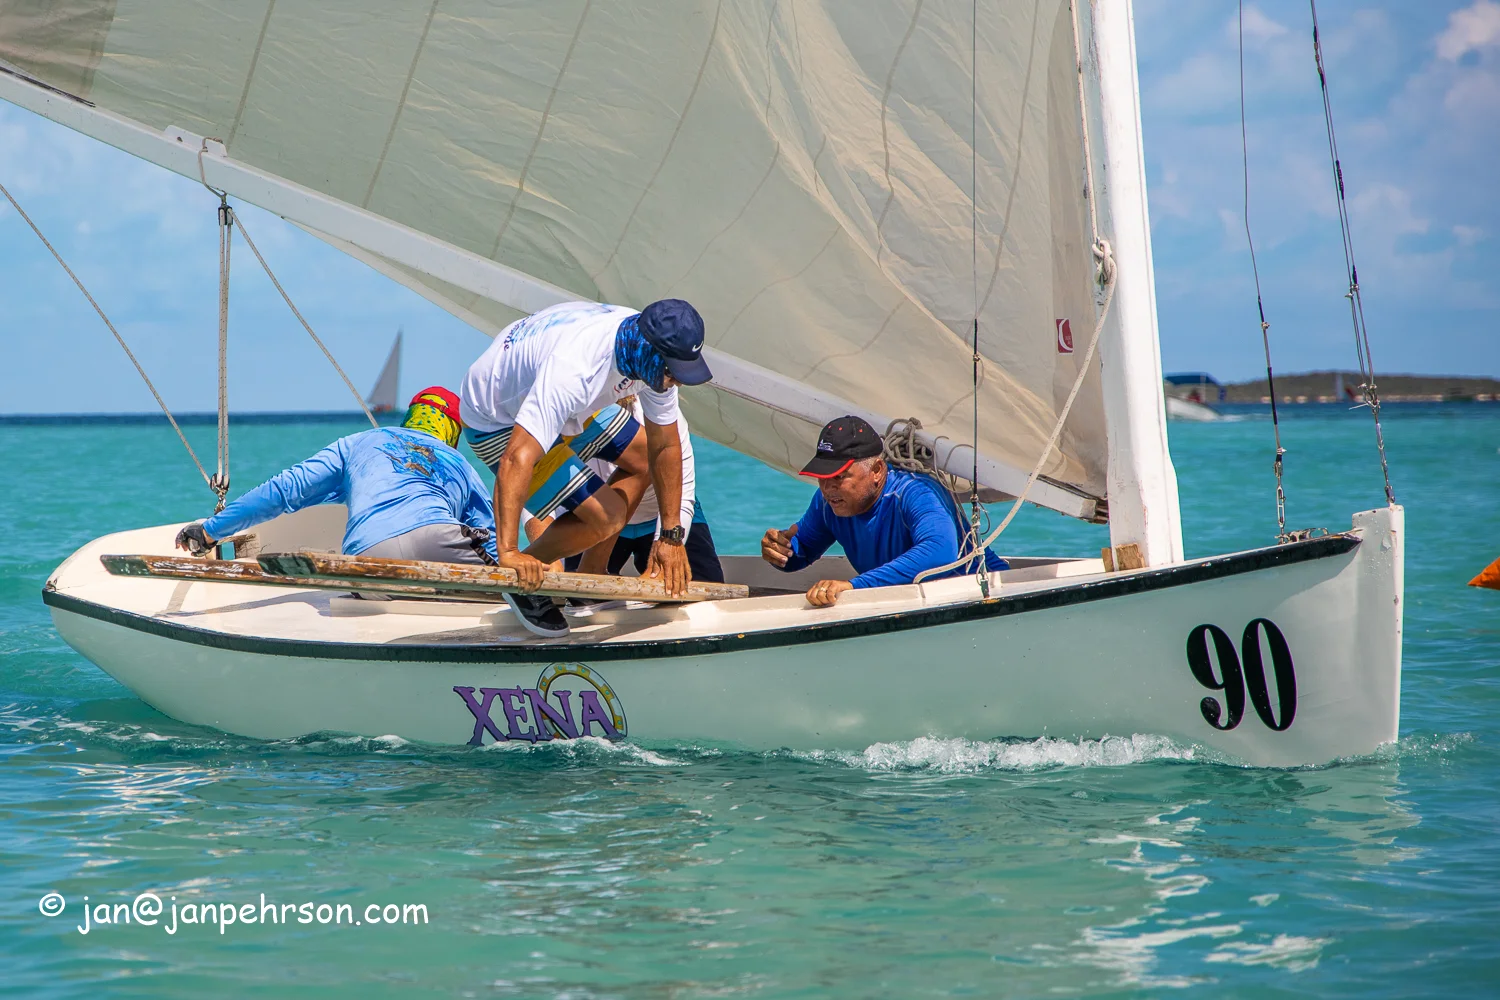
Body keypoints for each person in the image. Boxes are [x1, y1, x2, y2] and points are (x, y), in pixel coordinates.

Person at [460, 299, 711, 637]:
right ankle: (520, 579)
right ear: (647, 352)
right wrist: (508, 552)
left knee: (643, 461)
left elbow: (665, 446)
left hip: (565, 396)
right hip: (496, 417)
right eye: (671, 372)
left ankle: (592, 571)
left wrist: (670, 537)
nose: (674, 382)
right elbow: (516, 457)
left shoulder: (645, 354)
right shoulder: (575, 369)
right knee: (607, 518)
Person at [175, 387, 498, 565]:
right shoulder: (460, 463)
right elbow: (492, 532)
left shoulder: (358, 442)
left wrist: (210, 530)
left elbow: (285, 490)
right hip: (440, 542)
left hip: (366, 554)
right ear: (453, 431)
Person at [760, 415, 1008, 607]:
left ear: (877, 470)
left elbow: (939, 552)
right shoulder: (828, 502)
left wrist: (855, 586)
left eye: (840, 477)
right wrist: (780, 551)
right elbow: (801, 553)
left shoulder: (917, 492)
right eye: (822, 477)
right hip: (912, 605)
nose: (828, 487)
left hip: (986, 597)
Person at [541, 397, 723, 615]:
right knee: (579, 603)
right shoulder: (567, 413)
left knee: (709, 601)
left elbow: (683, 494)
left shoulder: (659, 416)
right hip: (596, 522)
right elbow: (538, 485)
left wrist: (667, 544)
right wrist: (549, 558)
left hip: (662, 517)